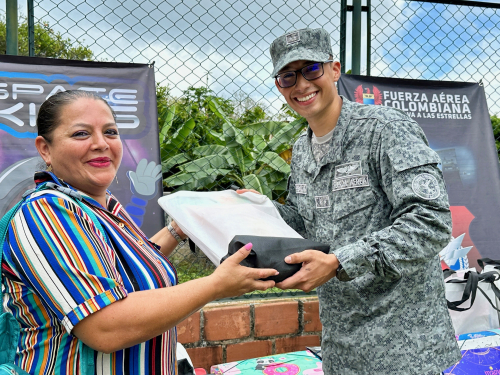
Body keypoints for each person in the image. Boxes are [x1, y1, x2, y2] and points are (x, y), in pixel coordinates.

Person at [1, 90, 278, 375]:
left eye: (110, 132)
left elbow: (132, 269)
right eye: (81, 134)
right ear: (45, 148)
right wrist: (216, 285)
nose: (100, 144)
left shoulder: (103, 206)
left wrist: (180, 227)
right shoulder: (47, 212)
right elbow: (105, 327)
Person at [240, 28, 461, 374]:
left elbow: (431, 221)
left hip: (406, 348)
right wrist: (262, 209)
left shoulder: (384, 130)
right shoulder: (301, 148)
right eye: (287, 76)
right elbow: (306, 222)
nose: (301, 85)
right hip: (343, 348)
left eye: (311, 69)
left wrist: (341, 261)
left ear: (334, 69)